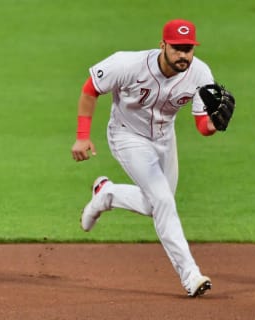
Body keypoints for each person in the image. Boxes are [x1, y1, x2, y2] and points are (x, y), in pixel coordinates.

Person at [71, 19, 227, 297]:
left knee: (156, 204)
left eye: (188, 49)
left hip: (165, 139)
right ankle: (190, 275)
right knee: (164, 200)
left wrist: (215, 124)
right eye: (177, 48)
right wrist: (83, 136)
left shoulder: (201, 74)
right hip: (127, 136)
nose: (183, 55)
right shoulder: (128, 64)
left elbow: (203, 126)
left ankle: (107, 194)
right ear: (163, 45)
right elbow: (90, 88)